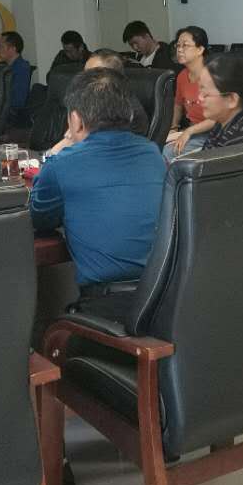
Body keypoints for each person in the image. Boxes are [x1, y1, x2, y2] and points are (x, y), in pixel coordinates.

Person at [29, 69, 166, 289]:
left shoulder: (61, 165)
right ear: (130, 114)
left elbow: (38, 219)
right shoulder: (153, 154)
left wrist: (56, 153)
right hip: (166, 292)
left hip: (109, 300)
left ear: (76, 120)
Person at [45, 50, 149, 152]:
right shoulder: (87, 102)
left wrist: (71, 141)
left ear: (111, 79)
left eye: (91, 76)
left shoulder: (130, 115)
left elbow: (104, 151)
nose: (83, 80)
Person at [165, 25, 214, 159]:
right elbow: (178, 104)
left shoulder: (213, 75)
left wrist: (188, 131)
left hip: (213, 134)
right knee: (154, 145)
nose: (179, 49)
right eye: (178, 45)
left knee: (168, 153)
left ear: (200, 49)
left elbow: (219, 118)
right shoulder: (182, 76)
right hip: (193, 131)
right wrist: (173, 128)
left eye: (185, 45)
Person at [0, 29, 33, 126]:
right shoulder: (2, 67)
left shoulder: (22, 68)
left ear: (12, 49)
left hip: (12, 117)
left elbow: (18, 101)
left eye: (1, 46)